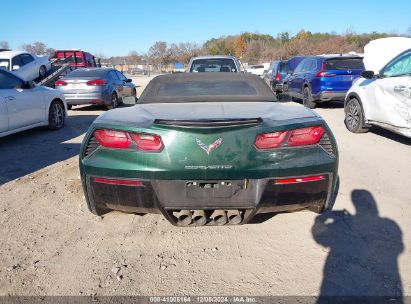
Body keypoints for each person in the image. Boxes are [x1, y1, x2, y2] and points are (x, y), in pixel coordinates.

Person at [312, 190, 403, 303]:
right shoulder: (389, 223)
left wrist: (319, 220)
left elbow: (320, 239)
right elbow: (399, 248)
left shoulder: (386, 223)